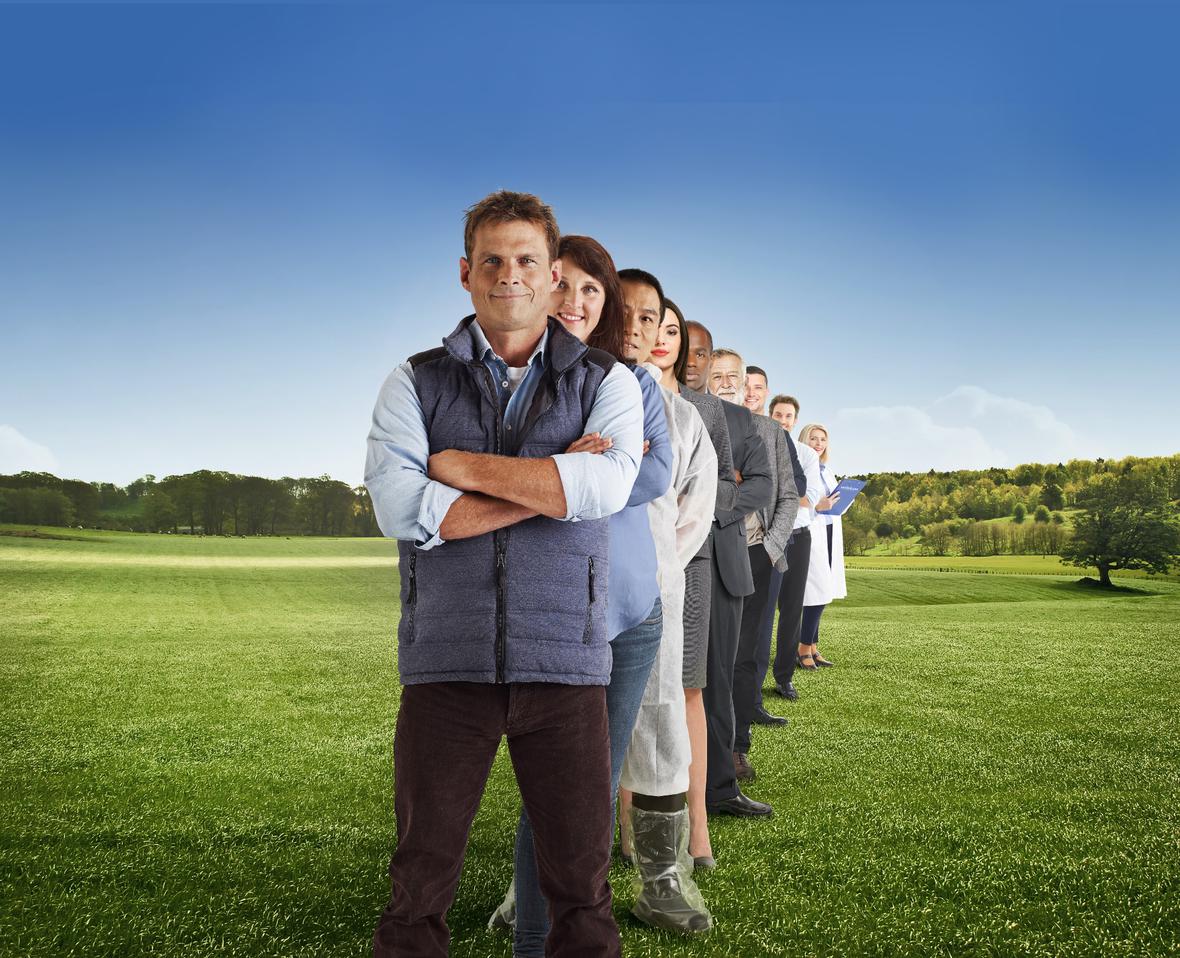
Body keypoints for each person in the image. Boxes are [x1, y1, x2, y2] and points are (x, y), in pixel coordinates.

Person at [365, 191, 644, 958]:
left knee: (582, 894)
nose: (508, 275)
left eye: (526, 260)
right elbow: (402, 508)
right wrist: (548, 486)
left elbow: (605, 490)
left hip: (565, 665)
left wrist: (457, 473)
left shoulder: (606, 381)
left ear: (554, 275)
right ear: (465, 272)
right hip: (445, 666)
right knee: (417, 888)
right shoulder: (413, 381)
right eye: (492, 260)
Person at [489, 238, 673, 954]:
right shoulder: (512, 380)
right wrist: (576, 467)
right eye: (561, 284)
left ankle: (562, 932)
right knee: (555, 792)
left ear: (607, 306)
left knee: (591, 791)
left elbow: (654, 479)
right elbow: (500, 476)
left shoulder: (634, 383)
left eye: (591, 291)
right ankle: (533, 939)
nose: (574, 302)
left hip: (632, 612)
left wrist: (564, 477)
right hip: (559, 615)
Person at [614, 267, 717, 932]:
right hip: (565, 597)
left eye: (648, 316)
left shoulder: (681, 418)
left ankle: (662, 881)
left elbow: (692, 515)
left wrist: (648, 573)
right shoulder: (558, 393)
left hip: (650, 593)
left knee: (659, 726)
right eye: (624, 311)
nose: (635, 325)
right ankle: (535, 885)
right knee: (559, 737)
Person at [657, 299, 739, 865]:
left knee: (688, 689)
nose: (662, 340)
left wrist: (685, 522)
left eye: (671, 332)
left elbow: (727, 487)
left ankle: (698, 827)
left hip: (691, 562)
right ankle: (632, 828)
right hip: (630, 563)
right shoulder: (611, 389)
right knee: (622, 696)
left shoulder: (707, 412)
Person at [687, 320, 775, 819]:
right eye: (694, 355)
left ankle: (720, 789)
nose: (697, 364)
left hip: (722, 561)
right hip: (670, 559)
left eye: (706, 355)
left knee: (716, 683)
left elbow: (761, 486)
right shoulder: (663, 406)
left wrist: (714, 506)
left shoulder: (743, 423)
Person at [708, 350, 798, 784]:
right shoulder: (698, 421)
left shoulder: (768, 431)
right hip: (706, 551)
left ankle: (738, 748)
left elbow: (786, 497)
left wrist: (770, 548)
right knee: (710, 659)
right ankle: (702, 751)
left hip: (757, 552)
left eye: (734, 377)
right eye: (717, 375)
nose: (727, 383)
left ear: (747, 383)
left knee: (745, 657)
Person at [766, 395, 828, 698]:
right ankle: (750, 679)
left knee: (792, 608)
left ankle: (784, 676)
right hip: (768, 536)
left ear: (794, 420)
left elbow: (811, 496)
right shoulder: (760, 445)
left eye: (788, 416)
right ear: (770, 415)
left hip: (799, 534)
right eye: (778, 414)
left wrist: (778, 491)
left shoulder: (805, 453)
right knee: (763, 609)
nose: (783, 420)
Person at [797, 422, 848, 670]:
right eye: (813, 439)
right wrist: (819, 505)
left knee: (823, 591)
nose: (818, 444)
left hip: (829, 531)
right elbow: (799, 500)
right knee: (814, 593)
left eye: (822, 440)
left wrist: (842, 499)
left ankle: (813, 647)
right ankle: (802, 648)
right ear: (804, 442)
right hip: (810, 530)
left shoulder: (826, 470)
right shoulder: (801, 467)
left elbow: (832, 501)